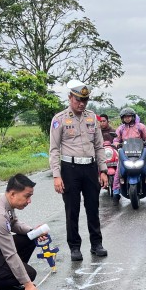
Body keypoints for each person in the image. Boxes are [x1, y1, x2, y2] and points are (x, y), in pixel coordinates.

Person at [49, 81, 109, 261]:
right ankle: (74, 247)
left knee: (93, 208)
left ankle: (96, 244)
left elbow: (99, 146)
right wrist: (56, 175)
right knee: (72, 210)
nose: (81, 104)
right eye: (78, 100)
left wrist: (103, 170)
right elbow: (54, 149)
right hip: (70, 169)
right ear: (70, 98)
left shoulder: (92, 118)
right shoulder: (59, 119)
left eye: (85, 100)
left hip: (90, 168)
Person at [112, 108, 146, 204]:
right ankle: (116, 193)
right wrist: (116, 143)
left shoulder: (140, 126)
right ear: (122, 118)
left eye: (129, 116)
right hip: (126, 154)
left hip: (140, 153)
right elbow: (116, 139)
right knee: (118, 172)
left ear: (133, 117)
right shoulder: (121, 128)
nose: (127, 118)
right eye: (125, 117)